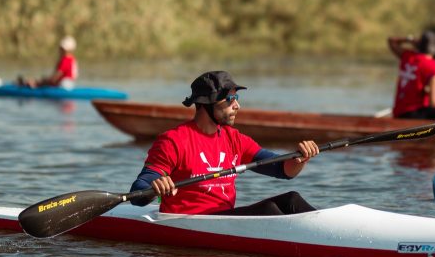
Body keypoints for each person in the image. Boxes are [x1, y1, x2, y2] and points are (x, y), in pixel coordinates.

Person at [130, 70, 320, 216]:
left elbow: (281, 169)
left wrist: (299, 159)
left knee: (291, 200)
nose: (237, 105)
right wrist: (155, 188)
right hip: (188, 222)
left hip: (222, 219)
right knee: (269, 210)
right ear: (207, 104)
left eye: (236, 98)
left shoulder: (234, 139)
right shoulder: (173, 141)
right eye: (230, 99)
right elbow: (139, 191)